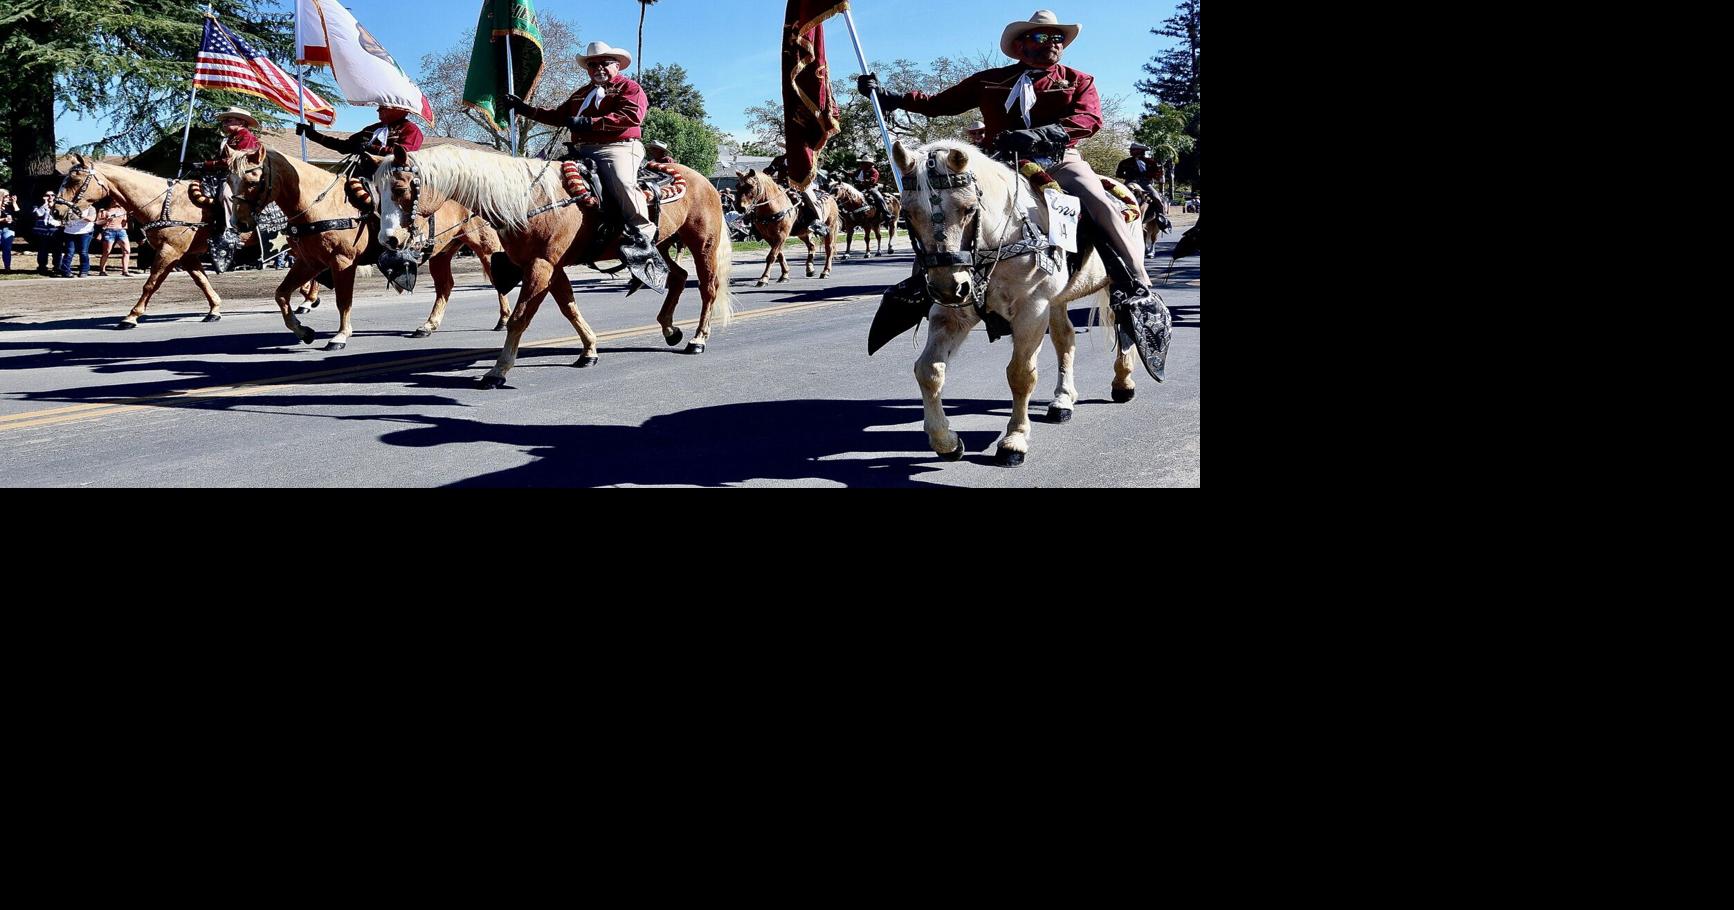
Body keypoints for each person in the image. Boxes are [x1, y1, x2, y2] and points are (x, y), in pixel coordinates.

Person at [857, 8, 1171, 379]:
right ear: (1020, 45)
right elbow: (939, 103)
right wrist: (890, 96)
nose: (1051, 45)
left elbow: (1089, 119)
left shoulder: (1078, 80)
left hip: (1058, 160)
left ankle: (1136, 283)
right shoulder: (990, 81)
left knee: (1098, 200)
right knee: (941, 206)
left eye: (1057, 39)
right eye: (1041, 38)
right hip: (997, 165)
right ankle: (921, 284)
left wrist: (1043, 133)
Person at [500, 40, 665, 290]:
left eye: (604, 63)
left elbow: (631, 116)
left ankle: (643, 232)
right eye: (592, 64)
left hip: (617, 148)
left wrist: (590, 123)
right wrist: (525, 109)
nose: (598, 68)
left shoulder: (629, 88)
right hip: (580, 149)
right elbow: (558, 115)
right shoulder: (580, 93)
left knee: (621, 181)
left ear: (617, 65)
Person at [187, 106, 261, 273]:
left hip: (241, 175)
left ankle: (231, 230)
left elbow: (234, 161)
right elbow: (220, 160)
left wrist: (205, 164)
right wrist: (204, 167)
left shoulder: (246, 137)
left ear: (241, 122)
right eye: (224, 120)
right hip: (224, 174)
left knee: (228, 195)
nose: (225, 123)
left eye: (229, 120)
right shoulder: (230, 139)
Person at [297, 103, 425, 158]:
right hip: (364, 176)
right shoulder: (372, 129)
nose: (378, 110)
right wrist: (312, 135)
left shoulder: (411, 130)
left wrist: (370, 148)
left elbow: (405, 155)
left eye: (382, 108)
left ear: (397, 109)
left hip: (393, 180)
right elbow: (343, 146)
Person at [763, 153, 830, 237]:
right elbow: (769, 171)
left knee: (808, 199)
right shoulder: (779, 159)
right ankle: (756, 224)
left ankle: (816, 223)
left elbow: (808, 171)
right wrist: (768, 171)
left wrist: (801, 181)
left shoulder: (802, 158)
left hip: (799, 185)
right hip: (781, 186)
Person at [847, 153, 890, 221]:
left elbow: (873, 180)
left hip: (871, 188)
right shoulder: (859, 170)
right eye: (861, 163)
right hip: (859, 189)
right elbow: (852, 174)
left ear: (868, 164)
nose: (861, 164)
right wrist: (844, 172)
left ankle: (887, 214)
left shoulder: (874, 171)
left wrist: (862, 182)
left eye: (863, 163)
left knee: (878, 196)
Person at [59, 200, 97, 278]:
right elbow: (63, 216)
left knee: (83, 252)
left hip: (85, 232)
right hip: (69, 232)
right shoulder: (69, 208)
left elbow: (92, 219)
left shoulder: (91, 208)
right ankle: (65, 271)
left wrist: (81, 215)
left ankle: (84, 270)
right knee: (69, 252)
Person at [96, 202, 133, 277]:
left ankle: (125, 270)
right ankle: (102, 270)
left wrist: (127, 221)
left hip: (121, 231)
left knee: (127, 251)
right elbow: (97, 222)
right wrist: (107, 220)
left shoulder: (123, 209)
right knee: (107, 251)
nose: (117, 201)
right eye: (115, 199)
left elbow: (124, 222)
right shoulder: (104, 210)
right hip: (109, 231)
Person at [31, 191, 63, 275]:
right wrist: (45, 204)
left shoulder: (60, 206)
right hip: (43, 231)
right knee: (43, 250)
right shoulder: (38, 205)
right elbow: (38, 214)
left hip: (55, 231)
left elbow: (61, 215)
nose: (50, 197)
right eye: (47, 195)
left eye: (52, 195)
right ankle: (42, 267)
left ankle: (57, 267)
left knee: (57, 250)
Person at [0, 188, 18, 273]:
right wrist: (3, 219)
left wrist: (14, 203)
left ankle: (7, 267)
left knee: (7, 249)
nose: (9, 197)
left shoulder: (9, 206)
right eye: (6, 196)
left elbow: (18, 214)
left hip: (8, 229)